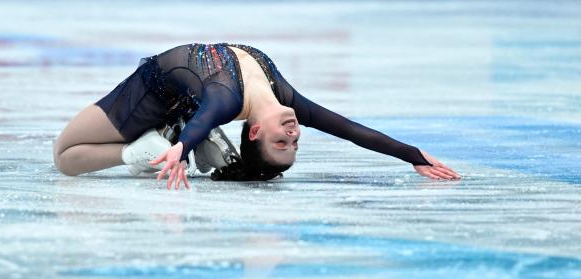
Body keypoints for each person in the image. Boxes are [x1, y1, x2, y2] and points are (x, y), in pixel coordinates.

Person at [54, 43, 460, 190]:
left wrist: (180, 150)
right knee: (193, 124)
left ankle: (140, 152)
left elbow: (210, 112)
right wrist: (414, 155)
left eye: (280, 143)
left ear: (255, 133)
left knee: (64, 156)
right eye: (295, 142)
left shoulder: (228, 102)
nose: (293, 134)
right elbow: (352, 131)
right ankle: (170, 139)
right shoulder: (286, 98)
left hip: (151, 94)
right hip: (185, 110)